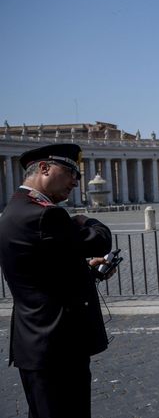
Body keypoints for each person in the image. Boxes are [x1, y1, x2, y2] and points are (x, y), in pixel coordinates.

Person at [0, 143, 114, 418]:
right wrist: (88, 221)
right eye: (71, 172)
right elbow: (100, 240)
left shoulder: (14, 209)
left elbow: (45, 270)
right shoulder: (45, 214)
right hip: (58, 346)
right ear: (44, 168)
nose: (76, 181)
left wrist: (87, 268)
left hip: (36, 343)